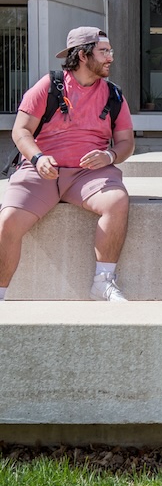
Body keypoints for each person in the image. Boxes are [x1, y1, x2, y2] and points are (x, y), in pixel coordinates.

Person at [0, 26, 135, 302]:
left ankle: (103, 282)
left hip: (90, 174)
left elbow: (126, 142)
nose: (111, 58)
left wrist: (109, 156)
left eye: (110, 51)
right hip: (41, 172)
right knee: (8, 221)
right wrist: (37, 157)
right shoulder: (49, 86)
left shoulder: (114, 95)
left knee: (117, 202)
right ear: (83, 55)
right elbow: (21, 131)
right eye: (104, 52)